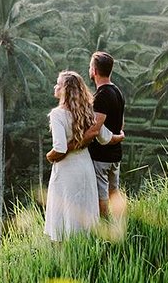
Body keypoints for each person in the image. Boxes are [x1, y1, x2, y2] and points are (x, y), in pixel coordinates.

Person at [44, 71, 124, 242]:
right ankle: (84, 247)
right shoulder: (88, 111)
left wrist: (49, 157)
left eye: (58, 84)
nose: (55, 86)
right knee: (84, 209)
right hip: (85, 166)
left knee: (64, 211)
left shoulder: (57, 114)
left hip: (66, 169)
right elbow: (105, 137)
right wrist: (121, 137)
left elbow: (59, 148)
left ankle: (65, 254)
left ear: (65, 89)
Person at [85, 51, 126, 218]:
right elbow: (121, 124)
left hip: (102, 156)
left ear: (94, 71)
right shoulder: (117, 92)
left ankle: (104, 228)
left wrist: (76, 143)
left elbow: (95, 129)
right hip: (115, 154)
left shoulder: (101, 96)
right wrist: (117, 137)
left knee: (101, 194)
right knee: (113, 191)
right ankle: (118, 223)